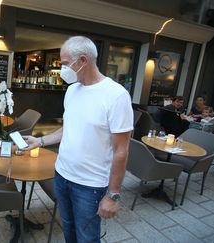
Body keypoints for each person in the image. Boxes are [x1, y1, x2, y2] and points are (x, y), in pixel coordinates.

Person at [24, 36, 133, 243]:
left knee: (87, 238)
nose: (62, 68)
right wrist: (40, 141)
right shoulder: (72, 90)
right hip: (62, 176)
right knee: (69, 231)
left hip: (90, 185)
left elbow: (121, 150)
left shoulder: (116, 96)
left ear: (83, 60)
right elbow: (68, 128)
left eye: (64, 63)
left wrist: (113, 195)